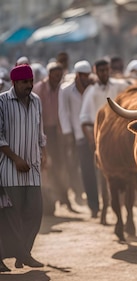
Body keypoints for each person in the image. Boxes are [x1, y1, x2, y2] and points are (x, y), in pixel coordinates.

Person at [0, 64, 47, 270]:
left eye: (30, 82)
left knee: (35, 212)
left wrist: (44, 154)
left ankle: (24, 254)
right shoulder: (2, 102)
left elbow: (40, 133)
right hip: (10, 170)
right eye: (24, 82)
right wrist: (15, 158)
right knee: (10, 217)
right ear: (15, 83)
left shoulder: (36, 101)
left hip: (33, 169)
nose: (29, 86)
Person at [79, 59, 129, 218]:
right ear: (96, 71)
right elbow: (84, 119)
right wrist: (92, 139)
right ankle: (105, 207)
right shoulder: (91, 92)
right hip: (101, 137)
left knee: (128, 172)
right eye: (101, 71)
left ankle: (123, 210)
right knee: (104, 173)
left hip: (120, 137)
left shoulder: (119, 86)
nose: (104, 73)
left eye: (106, 70)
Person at [33, 61, 75, 215]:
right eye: (55, 75)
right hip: (43, 132)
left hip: (58, 132)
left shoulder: (62, 89)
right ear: (49, 74)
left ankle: (63, 198)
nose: (58, 78)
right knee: (47, 166)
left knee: (60, 166)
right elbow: (37, 115)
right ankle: (52, 201)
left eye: (60, 75)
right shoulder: (39, 89)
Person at [59, 61, 93, 212]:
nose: (86, 78)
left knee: (91, 168)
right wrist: (68, 133)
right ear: (78, 75)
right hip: (76, 134)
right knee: (76, 165)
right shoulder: (65, 90)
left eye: (88, 75)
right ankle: (79, 193)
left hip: (93, 134)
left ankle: (93, 201)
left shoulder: (93, 89)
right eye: (83, 75)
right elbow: (63, 113)